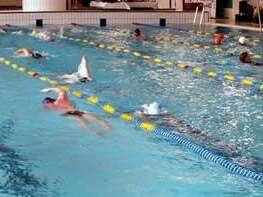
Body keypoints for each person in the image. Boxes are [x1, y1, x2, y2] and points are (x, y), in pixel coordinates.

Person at [41, 87, 111, 130]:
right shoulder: (59, 101)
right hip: (75, 112)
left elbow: (62, 91)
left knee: (86, 126)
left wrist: (49, 89)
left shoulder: (56, 103)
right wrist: (50, 89)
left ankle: (96, 135)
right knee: (99, 120)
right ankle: (108, 130)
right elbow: (62, 90)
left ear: (48, 102)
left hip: (67, 114)